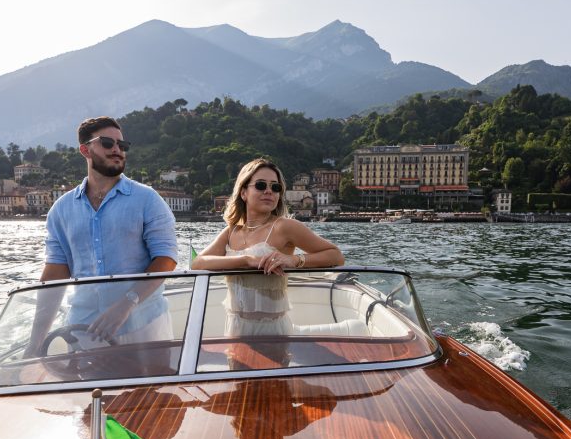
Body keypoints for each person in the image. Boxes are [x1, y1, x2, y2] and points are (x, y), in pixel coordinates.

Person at [27, 116, 178, 354]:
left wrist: (127, 303)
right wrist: (34, 345)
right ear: (85, 150)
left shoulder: (148, 200)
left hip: (144, 326)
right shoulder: (61, 210)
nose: (117, 149)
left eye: (122, 145)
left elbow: (166, 259)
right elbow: (54, 276)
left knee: (154, 382)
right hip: (83, 332)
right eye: (107, 143)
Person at [191, 158, 343, 343]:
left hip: (273, 330)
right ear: (243, 192)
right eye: (261, 185)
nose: (269, 191)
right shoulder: (231, 231)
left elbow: (336, 255)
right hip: (235, 326)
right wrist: (247, 260)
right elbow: (197, 263)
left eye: (275, 187)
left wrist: (294, 260)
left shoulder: (284, 226)